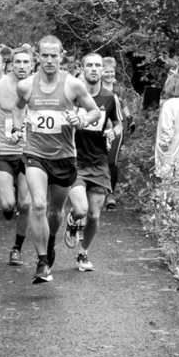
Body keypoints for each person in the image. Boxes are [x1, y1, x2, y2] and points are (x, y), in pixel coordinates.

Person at [13, 35, 101, 284]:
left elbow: (94, 111)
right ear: (37, 57)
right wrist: (18, 127)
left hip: (64, 157)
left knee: (55, 211)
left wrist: (82, 120)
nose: (49, 60)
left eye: (54, 55)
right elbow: (19, 108)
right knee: (38, 204)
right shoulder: (26, 86)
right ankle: (42, 263)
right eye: (45, 55)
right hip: (35, 154)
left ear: (61, 57)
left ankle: (51, 241)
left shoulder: (74, 85)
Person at [63, 53, 123, 272]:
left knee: (94, 216)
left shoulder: (110, 98)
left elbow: (118, 124)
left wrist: (112, 133)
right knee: (81, 209)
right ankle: (72, 222)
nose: (94, 69)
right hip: (75, 161)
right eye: (90, 65)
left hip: (98, 162)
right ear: (83, 68)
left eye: (98, 65)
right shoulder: (72, 96)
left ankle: (83, 253)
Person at [0, 48, 33, 266]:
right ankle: (8, 205)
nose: (22, 66)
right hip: (4, 152)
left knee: (26, 204)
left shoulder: (39, 89)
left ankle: (17, 248)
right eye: (18, 62)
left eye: (26, 62)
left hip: (29, 153)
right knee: (7, 205)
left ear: (32, 65)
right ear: (11, 64)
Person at [101, 57, 133, 211]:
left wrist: (130, 119)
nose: (108, 74)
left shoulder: (119, 90)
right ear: (101, 72)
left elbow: (124, 106)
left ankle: (109, 194)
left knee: (111, 162)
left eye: (111, 72)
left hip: (116, 127)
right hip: (98, 129)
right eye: (106, 71)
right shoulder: (94, 88)